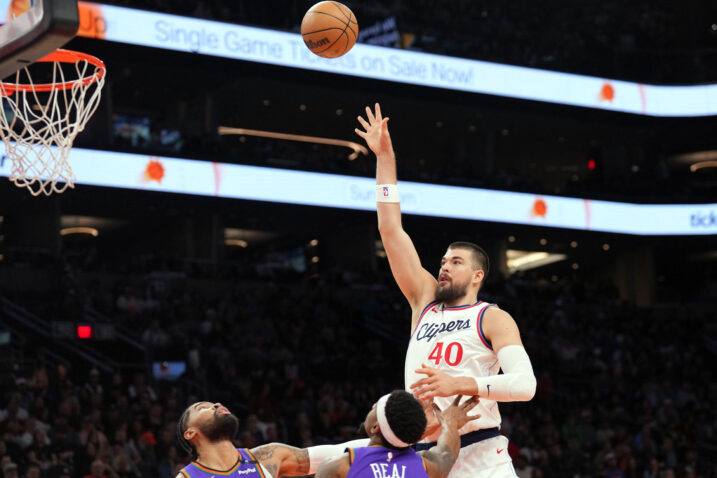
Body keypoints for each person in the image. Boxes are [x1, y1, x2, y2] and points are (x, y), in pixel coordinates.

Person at [355, 103, 537, 478]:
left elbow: (525, 385)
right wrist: (385, 157)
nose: (443, 266)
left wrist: (460, 383)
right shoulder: (424, 302)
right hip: (423, 456)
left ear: (477, 276)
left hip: (481, 452)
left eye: (455, 261)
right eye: (442, 260)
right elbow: (390, 230)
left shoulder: (491, 317)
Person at [176, 402, 368, 478]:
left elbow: (337, 452)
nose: (216, 405)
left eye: (215, 403)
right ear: (190, 433)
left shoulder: (266, 458)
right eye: (203, 408)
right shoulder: (188, 477)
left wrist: (385, 435)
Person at [316, 391, 478, 478]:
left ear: (375, 428)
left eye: (375, 407)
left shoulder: (339, 467)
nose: (372, 405)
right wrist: (450, 423)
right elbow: (447, 453)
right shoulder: (426, 466)